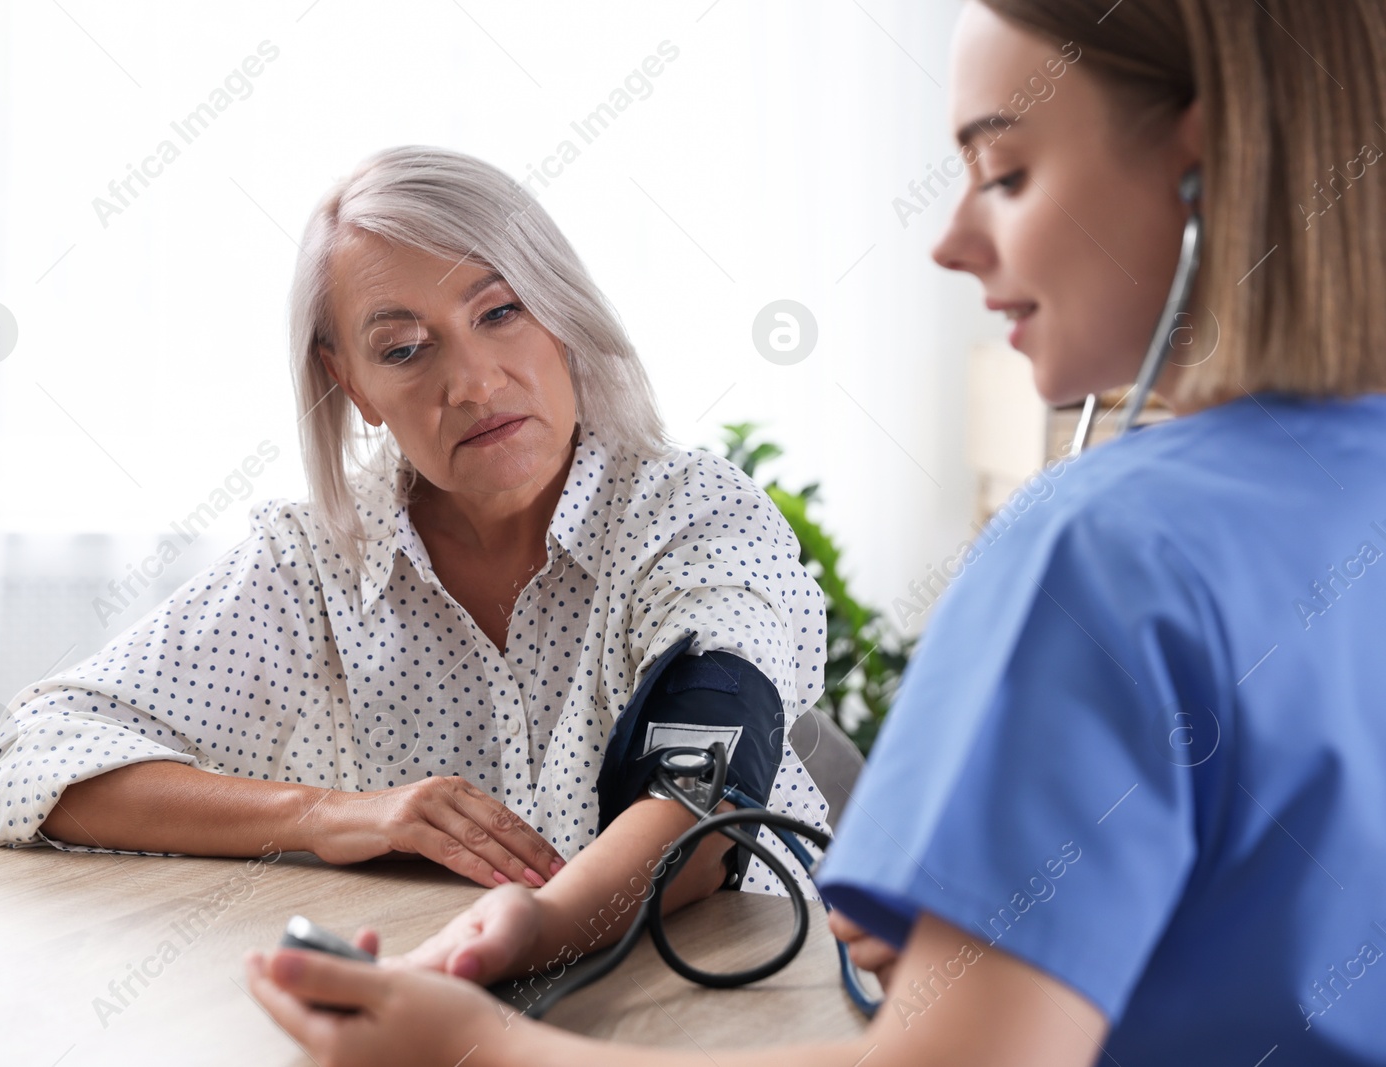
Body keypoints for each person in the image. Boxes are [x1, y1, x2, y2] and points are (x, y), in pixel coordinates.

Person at [242, 1, 1386, 1064]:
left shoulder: (1097, 545)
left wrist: (475, 1046)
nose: (946, 242)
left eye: (1005, 172)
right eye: (403, 346)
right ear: (346, 382)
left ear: (1200, 161)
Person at [0, 146, 833, 986]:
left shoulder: (693, 517)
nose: (473, 383)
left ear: (562, 315)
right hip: (444, 1000)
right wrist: (334, 814)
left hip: (733, 995)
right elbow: (29, 760)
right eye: (405, 348)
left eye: (500, 312)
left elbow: (702, 794)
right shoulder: (311, 563)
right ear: (349, 384)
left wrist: (528, 933)